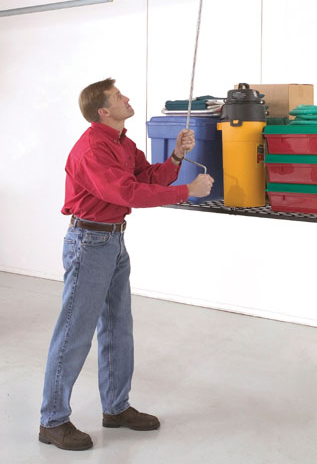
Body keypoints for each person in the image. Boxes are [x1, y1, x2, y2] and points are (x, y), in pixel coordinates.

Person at [39, 78, 213, 451]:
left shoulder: (121, 142)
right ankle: (52, 421)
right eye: (119, 97)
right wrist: (187, 191)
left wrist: (176, 157)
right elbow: (127, 192)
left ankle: (116, 408)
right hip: (89, 243)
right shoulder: (92, 149)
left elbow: (146, 177)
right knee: (74, 333)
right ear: (104, 111)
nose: (127, 98)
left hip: (113, 240)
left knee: (118, 328)